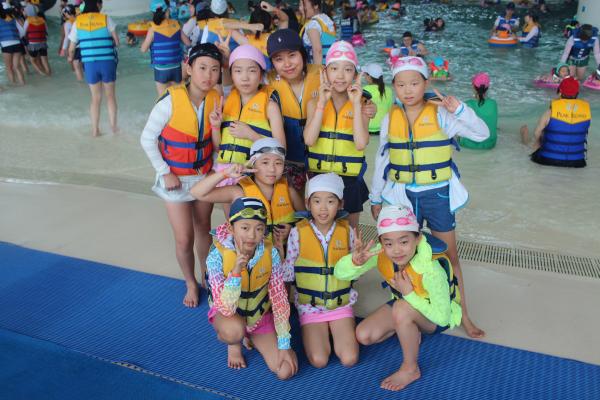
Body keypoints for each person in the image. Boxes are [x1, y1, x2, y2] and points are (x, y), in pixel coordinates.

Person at [370, 56, 489, 338]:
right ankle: (407, 311)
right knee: (402, 257)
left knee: (449, 256)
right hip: (401, 196)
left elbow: (482, 134)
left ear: (426, 83)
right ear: (394, 86)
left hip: (437, 194)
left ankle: (463, 314)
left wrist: (460, 110)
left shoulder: (442, 114)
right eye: (401, 84)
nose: (408, 90)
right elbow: (381, 159)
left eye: (414, 83)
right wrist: (375, 197)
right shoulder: (390, 118)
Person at [334, 205, 462, 391]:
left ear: (417, 239)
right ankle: (409, 328)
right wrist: (354, 262)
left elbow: (442, 318)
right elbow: (340, 274)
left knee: (401, 308)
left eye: (404, 242)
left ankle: (411, 369)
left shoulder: (431, 270)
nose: (396, 250)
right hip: (405, 304)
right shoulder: (382, 254)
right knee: (364, 335)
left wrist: (409, 294)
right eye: (389, 244)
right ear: (381, 243)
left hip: (435, 317)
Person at [140, 43, 223, 308]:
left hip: (203, 177)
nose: (208, 75)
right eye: (202, 68)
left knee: (203, 229)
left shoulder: (216, 99)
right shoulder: (169, 101)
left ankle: (208, 275)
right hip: (174, 179)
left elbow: (216, 144)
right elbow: (147, 139)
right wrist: (165, 172)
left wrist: (214, 168)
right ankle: (190, 281)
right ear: (188, 68)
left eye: (214, 69)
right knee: (184, 237)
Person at [206, 196, 298, 378]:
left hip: (258, 318)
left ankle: (252, 337)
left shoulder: (271, 254)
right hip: (229, 316)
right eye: (245, 228)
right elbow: (225, 308)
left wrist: (284, 345)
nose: (251, 235)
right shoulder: (217, 256)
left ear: (264, 231)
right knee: (233, 331)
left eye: (259, 228)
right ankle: (234, 344)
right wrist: (236, 273)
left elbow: (280, 299)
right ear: (231, 228)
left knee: (285, 370)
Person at [282, 173, 359, 369]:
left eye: (330, 201)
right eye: (317, 201)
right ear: (308, 204)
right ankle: (319, 331)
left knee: (349, 359)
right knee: (319, 360)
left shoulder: (347, 232)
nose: (323, 208)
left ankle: (335, 329)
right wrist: (278, 256)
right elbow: (289, 273)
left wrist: (358, 263)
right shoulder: (297, 232)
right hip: (310, 306)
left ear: (340, 204)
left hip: (340, 305)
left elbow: (354, 275)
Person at [304, 41, 369, 228]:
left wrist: (356, 105)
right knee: (320, 232)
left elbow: (360, 144)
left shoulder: (363, 105)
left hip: (350, 181)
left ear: (355, 75)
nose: (340, 76)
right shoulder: (313, 103)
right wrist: (321, 104)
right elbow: (309, 140)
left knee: (350, 233)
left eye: (347, 70)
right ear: (325, 72)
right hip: (319, 179)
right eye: (334, 69)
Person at [190, 138, 304, 242]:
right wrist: (225, 174)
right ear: (253, 164)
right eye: (265, 162)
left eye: (278, 163)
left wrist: (293, 229)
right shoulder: (239, 192)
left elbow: (307, 221)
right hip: (251, 256)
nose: (272, 169)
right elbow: (197, 193)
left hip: (285, 255)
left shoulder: (289, 192)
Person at [214, 44, 285, 200]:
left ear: (261, 75)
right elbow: (219, 147)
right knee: (231, 216)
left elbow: (281, 149)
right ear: (231, 74)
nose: (245, 77)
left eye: (252, 71)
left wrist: (251, 135)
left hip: (254, 174)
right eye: (238, 71)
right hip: (227, 173)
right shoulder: (226, 103)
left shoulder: (270, 107)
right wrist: (215, 127)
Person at [68, 0, 120, 137]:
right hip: (107, 62)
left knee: (95, 98)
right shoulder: (105, 18)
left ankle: (95, 130)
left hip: (90, 64)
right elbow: (117, 41)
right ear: (97, 5)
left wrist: (70, 58)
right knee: (110, 96)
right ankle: (113, 128)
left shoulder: (78, 22)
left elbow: (72, 48)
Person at [520, 77, 591, 168]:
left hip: (547, 160)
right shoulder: (586, 112)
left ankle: (524, 138)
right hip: (578, 162)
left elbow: (536, 133)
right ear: (577, 93)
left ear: (560, 92)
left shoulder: (550, 112)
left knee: (536, 138)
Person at [141, 0, 185, 96]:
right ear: (167, 11)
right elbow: (188, 42)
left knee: (163, 99)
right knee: (178, 98)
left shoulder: (152, 29)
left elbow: (143, 49)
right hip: (176, 67)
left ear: (153, 13)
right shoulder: (176, 25)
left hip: (161, 70)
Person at [459, 73, 498, 150]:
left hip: (469, 144)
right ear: (487, 87)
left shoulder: (468, 104)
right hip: (490, 144)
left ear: (473, 87)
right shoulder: (493, 103)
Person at [299, 0, 335, 65]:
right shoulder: (325, 19)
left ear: (316, 5)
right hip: (330, 65)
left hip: (319, 67)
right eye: (300, 5)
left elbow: (317, 50)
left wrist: (317, 70)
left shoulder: (313, 24)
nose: (300, 8)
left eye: (304, 5)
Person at [362, 63, 393, 135]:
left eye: (365, 74)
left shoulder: (364, 90)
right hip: (384, 128)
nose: (364, 76)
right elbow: (389, 110)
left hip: (367, 128)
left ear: (369, 77)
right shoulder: (388, 90)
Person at [0, 3, 25, 85]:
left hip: (6, 44)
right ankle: (23, 84)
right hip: (17, 43)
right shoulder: (12, 18)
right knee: (16, 67)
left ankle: (13, 85)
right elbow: (22, 32)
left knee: (9, 68)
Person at [22, 5, 51, 76]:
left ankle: (42, 73)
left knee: (32, 60)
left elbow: (23, 33)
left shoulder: (28, 21)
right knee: (45, 61)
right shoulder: (42, 20)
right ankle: (49, 74)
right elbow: (47, 31)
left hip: (33, 44)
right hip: (43, 43)